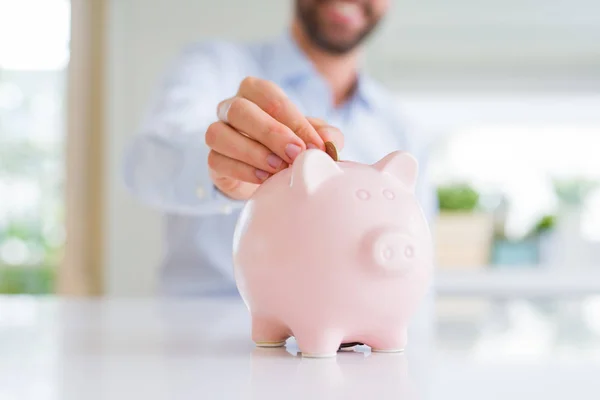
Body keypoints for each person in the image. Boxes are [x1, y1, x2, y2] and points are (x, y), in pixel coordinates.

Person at [123, 0, 437, 296]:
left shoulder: (403, 132)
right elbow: (144, 166)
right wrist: (221, 169)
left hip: (352, 337)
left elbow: (416, 260)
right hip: (202, 326)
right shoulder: (213, 65)